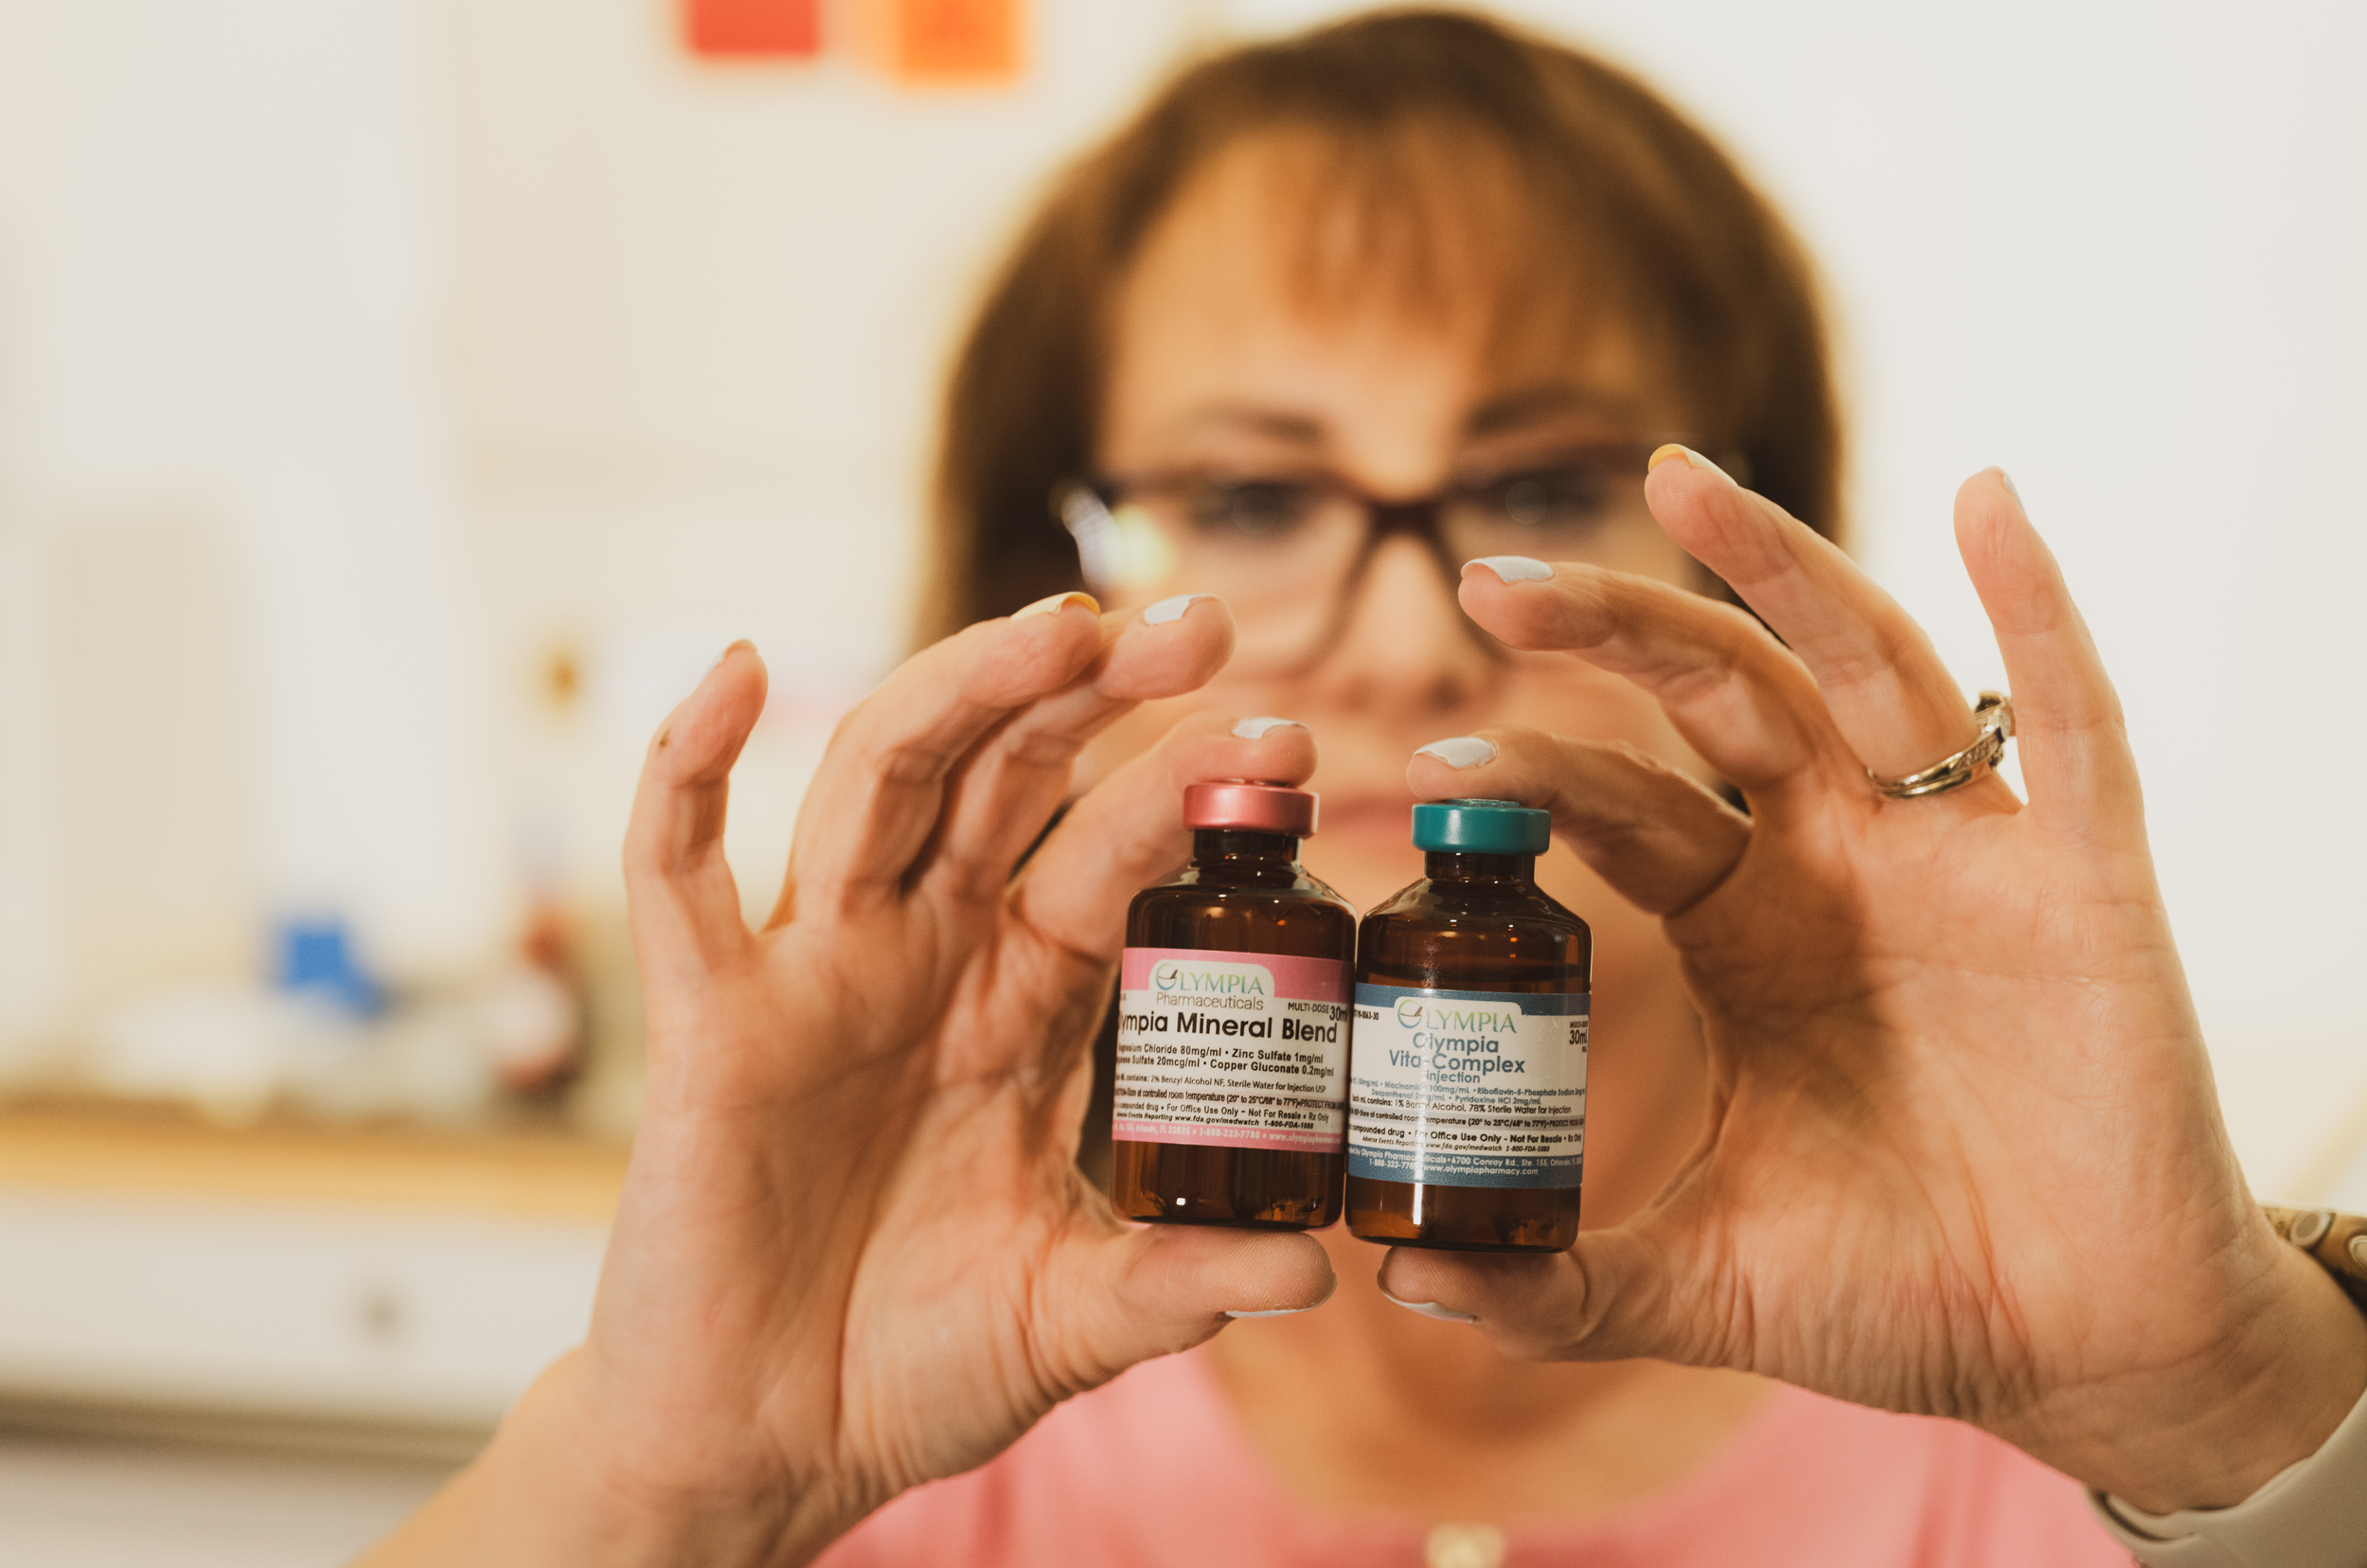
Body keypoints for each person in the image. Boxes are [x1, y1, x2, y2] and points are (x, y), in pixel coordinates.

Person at [363, 11, 2367, 1566]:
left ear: (1751, 586)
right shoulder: (864, 1419)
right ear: (1034, 595)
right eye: (1244, 496)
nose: (1406, 641)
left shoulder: (2057, 1427)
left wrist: (2227, 1422)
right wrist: (662, 1494)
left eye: (1537, 487)